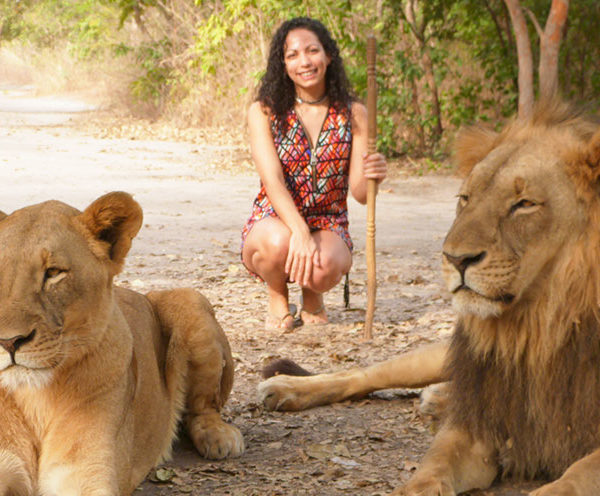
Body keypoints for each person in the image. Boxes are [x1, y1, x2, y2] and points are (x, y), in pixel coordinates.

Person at [241, 17, 387, 331]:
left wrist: (375, 175)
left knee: (324, 265)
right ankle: (277, 296)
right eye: (293, 55)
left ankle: (313, 295)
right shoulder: (264, 112)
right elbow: (272, 181)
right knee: (277, 243)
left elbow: (361, 194)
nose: (304, 62)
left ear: (328, 55)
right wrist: (300, 232)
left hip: (328, 221)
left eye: (312, 51)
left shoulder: (354, 113)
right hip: (275, 217)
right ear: (283, 64)